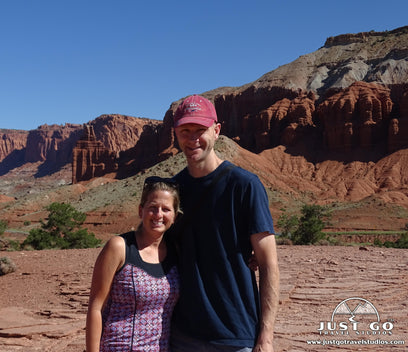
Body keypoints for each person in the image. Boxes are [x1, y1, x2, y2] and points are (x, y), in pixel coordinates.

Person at [170, 95, 280, 352]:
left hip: (235, 334)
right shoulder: (172, 190)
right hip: (182, 335)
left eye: (200, 130)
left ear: (217, 131)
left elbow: (268, 264)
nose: (192, 138)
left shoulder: (244, 186)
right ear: (175, 134)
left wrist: (265, 338)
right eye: (185, 131)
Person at [86, 176, 181, 352]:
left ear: (174, 216)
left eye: (166, 209)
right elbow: (96, 307)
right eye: (152, 208)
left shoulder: (177, 251)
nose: (158, 215)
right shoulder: (119, 247)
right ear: (141, 211)